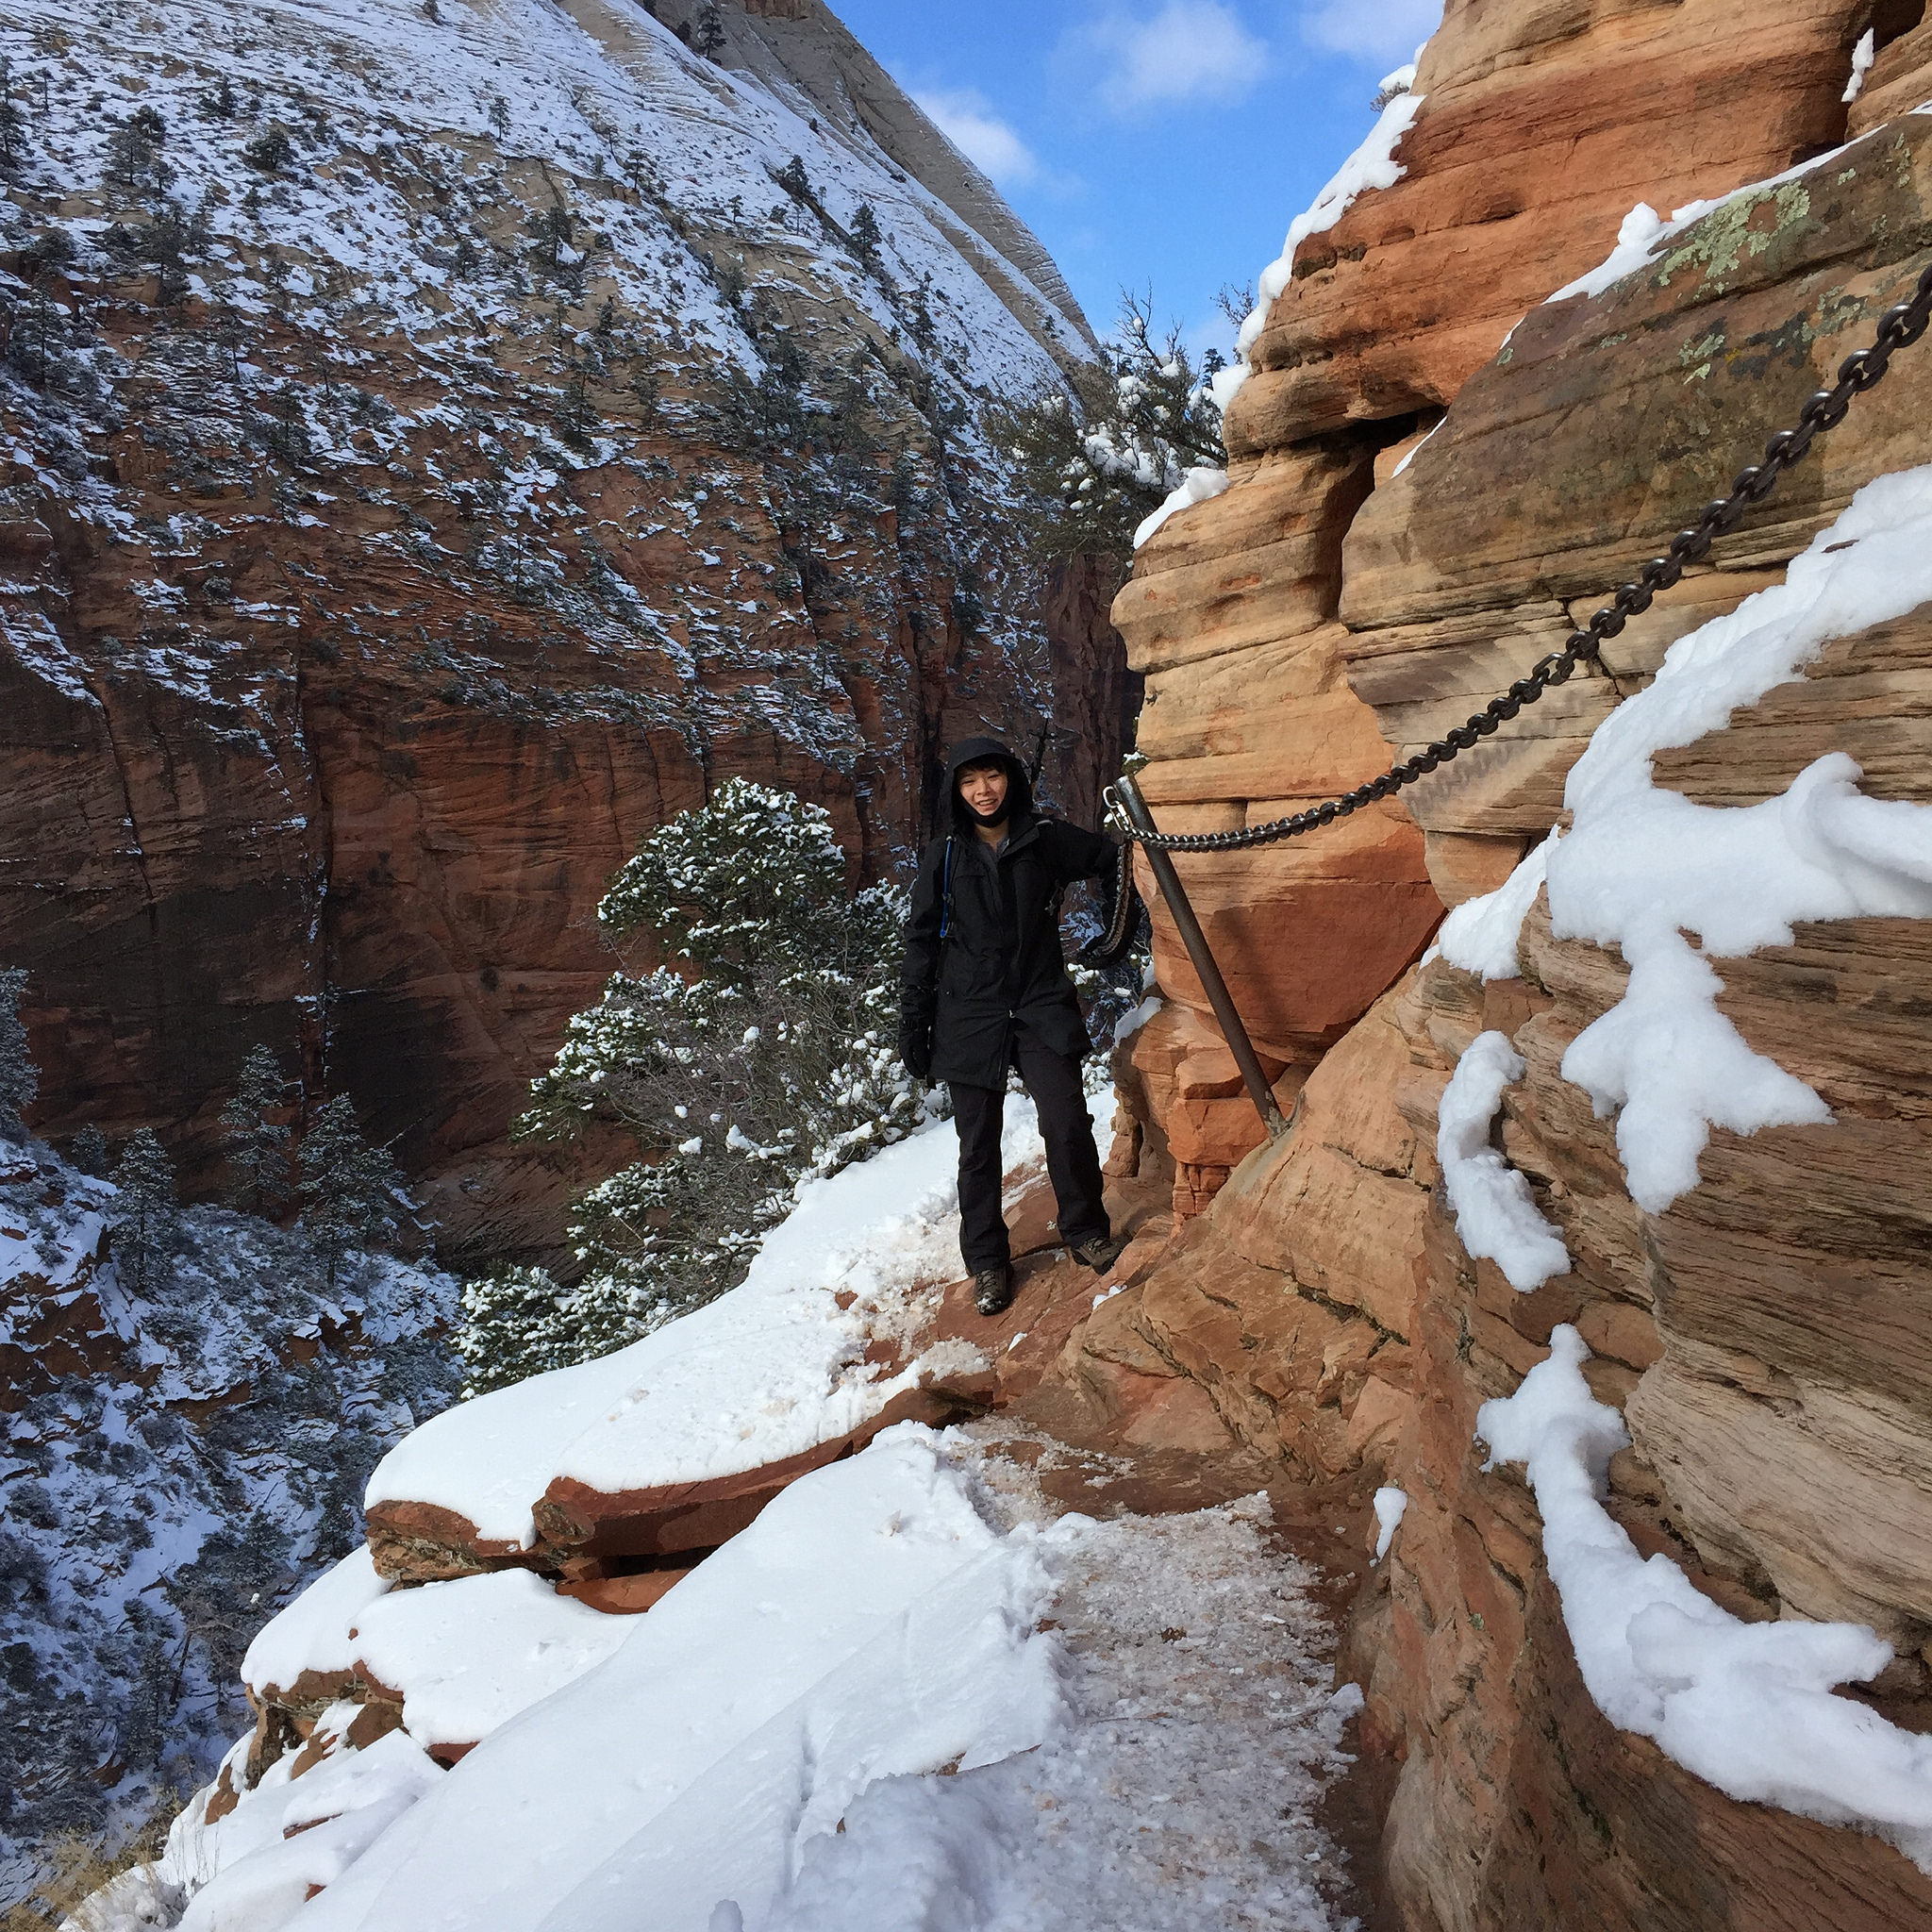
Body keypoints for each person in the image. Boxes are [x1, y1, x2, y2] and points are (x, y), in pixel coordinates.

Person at [899, 736, 1129, 1316]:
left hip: (1039, 1000)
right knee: (977, 1146)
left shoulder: (1043, 840)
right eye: (970, 780)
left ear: (1011, 780)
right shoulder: (944, 857)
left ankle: (1085, 1232)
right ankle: (986, 1263)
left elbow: (1113, 861)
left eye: (993, 776)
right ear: (956, 789)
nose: (983, 791)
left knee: (1066, 1120)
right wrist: (914, 1024)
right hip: (967, 1012)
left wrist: (1113, 932)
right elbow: (921, 942)